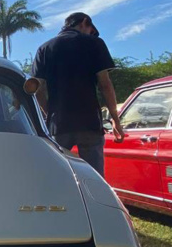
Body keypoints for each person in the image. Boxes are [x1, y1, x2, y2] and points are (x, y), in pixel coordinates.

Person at [30, 11, 124, 177]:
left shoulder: (44, 49)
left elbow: (38, 90)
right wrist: (115, 120)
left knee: (59, 177)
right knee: (95, 179)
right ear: (84, 22)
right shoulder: (94, 43)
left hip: (59, 125)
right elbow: (105, 85)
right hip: (89, 123)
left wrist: (50, 113)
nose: (91, 34)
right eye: (91, 30)